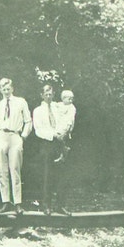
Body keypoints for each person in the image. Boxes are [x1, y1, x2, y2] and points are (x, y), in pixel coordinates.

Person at [0, 77, 32, 215]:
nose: (6, 91)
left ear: (12, 89)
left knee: (15, 169)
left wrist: (24, 136)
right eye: (3, 89)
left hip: (15, 136)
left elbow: (28, 121)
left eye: (8, 88)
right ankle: (5, 202)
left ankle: (18, 203)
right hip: (1, 137)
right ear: (0, 90)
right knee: (2, 171)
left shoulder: (21, 102)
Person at [32, 85, 73, 215]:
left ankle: (61, 205)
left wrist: (63, 133)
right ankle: (46, 205)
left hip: (59, 142)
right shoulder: (38, 111)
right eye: (46, 94)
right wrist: (52, 135)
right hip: (47, 143)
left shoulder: (58, 107)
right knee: (47, 174)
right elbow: (38, 130)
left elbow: (68, 117)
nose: (49, 96)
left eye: (51, 94)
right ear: (42, 95)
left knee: (61, 174)